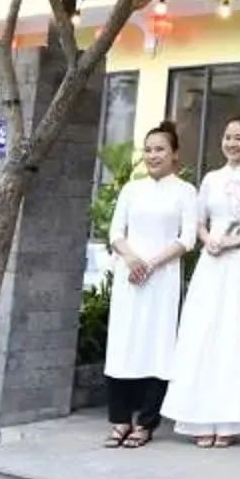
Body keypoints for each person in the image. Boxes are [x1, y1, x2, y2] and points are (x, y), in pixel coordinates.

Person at [161, 115, 240, 448]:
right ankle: (200, 417)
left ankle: (230, 421)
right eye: (228, 137)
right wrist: (208, 239)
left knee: (236, 337)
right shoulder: (211, 179)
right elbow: (198, 220)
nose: (232, 143)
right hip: (212, 264)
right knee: (203, 334)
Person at [100, 121, 197, 449]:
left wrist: (151, 264)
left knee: (157, 349)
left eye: (160, 150)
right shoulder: (131, 189)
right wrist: (131, 259)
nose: (153, 155)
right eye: (149, 149)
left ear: (174, 155)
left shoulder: (185, 191)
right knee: (123, 346)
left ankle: (146, 423)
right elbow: (115, 233)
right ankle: (120, 420)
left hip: (162, 279)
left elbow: (188, 238)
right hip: (129, 279)